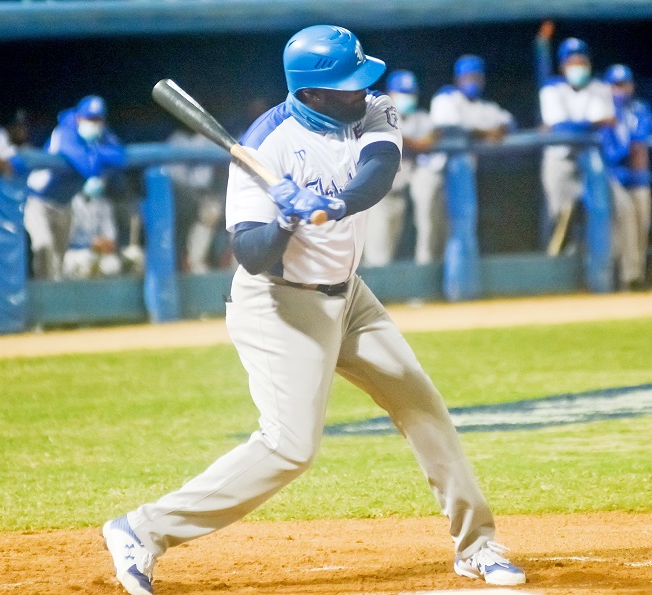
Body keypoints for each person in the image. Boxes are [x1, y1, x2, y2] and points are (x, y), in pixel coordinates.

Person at [102, 24, 526, 595]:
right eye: (349, 85)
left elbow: (377, 172)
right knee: (289, 447)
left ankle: (477, 546)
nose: (363, 91)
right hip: (280, 306)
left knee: (422, 406)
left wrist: (332, 202)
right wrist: (282, 217)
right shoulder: (263, 148)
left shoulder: (375, 110)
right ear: (312, 92)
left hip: (350, 297)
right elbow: (252, 256)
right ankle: (140, 530)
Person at [24, 95, 126, 280]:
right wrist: (98, 159)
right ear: (79, 117)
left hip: (65, 204)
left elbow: (120, 155)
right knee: (44, 246)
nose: (93, 123)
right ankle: (43, 301)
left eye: (97, 119)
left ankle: (56, 301)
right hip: (39, 200)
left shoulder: (100, 134)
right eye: (89, 118)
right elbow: (86, 164)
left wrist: (94, 155)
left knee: (59, 260)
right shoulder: (65, 131)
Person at [537, 29, 616, 250]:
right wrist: (594, 123)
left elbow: (564, 126)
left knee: (600, 215)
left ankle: (597, 268)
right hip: (560, 159)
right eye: (572, 62)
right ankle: (558, 267)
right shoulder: (551, 89)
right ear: (563, 66)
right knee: (559, 218)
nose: (578, 66)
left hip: (591, 159)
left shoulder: (600, 88)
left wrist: (565, 127)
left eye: (582, 61)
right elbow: (564, 128)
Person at [362, 69, 443, 267]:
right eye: (401, 93)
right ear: (390, 94)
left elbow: (436, 132)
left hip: (400, 194)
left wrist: (423, 141)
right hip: (376, 197)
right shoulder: (378, 114)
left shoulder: (420, 118)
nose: (406, 97)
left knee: (387, 254)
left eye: (409, 93)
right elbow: (397, 137)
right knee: (376, 257)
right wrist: (417, 143)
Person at [601, 64, 652, 290]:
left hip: (636, 176)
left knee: (642, 219)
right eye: (615, 85)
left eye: (624, 84)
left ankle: (635, 275)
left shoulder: (640, 109)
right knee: (626, 214)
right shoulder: (600, 112)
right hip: (610, 175)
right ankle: (628, 277)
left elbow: (639, 147)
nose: (620, 89)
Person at [165, 129, 227, 273]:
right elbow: (173, 179)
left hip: (204, 193)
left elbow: (223, 167)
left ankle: (196, 261)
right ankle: (187, 261)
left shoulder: (206, 139)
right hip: (180, 195)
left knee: (211, 211)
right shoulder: (175, 139)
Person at [62, 191, 122, 279]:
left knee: (113, 265)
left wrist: (101, 243)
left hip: (99, 252)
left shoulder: (104, 203)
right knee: (83, 264)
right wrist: (91, 243)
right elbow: (66, 236)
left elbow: (111, 236)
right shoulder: (70, 202)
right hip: (75, 251)